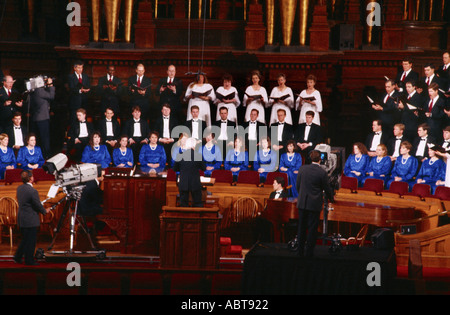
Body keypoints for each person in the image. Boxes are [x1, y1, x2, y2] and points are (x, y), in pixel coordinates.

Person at [296, 150, 334, 257]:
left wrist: (302, 195)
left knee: (301, 228)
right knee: (312, 229)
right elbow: (326, 188)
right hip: (314, 204)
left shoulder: (302, 169)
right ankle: (309, 252)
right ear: (320, 159)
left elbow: (298, 185)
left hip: (302, 202)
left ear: (310, 158)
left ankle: (300, 251)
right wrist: (332, 198)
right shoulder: (322, 172)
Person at [14, 170, 51, 265]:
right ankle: (29, 260)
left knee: (25, 239)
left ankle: (18, 256)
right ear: (31, 178)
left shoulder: (19, 188)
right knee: (30, 240)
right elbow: (36, 205)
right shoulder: (33, 191)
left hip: (22, 218)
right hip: (30, 219)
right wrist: (44, 211)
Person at [173, 138, 206, 207]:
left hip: (183, 183)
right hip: (195, 183)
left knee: (183, 205)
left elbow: (175, 169)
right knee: (198, 204)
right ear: (194, 146)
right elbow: (204, 168)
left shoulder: (180, 155)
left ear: (186, 146)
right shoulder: (198, 155)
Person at [29, 76, 55, 159]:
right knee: (45, 138)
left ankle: (42, 155)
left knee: (41, 138)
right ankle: (46, 155)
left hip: (37, 118)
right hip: (42, 118)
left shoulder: (34, 92)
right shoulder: (39, 91)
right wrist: (50, 84)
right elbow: (51, 96)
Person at [67, 60, 90, 125]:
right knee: (74, 121)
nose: (80, 69)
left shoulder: (85, 76)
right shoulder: (70, 77)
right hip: (75, 103)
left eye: (81, 68)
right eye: (79, 68)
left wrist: (87, 90)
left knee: (83, 121)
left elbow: (88, 86)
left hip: (84, 102)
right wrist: (80, 90)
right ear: (75, 68)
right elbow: (71, 89)